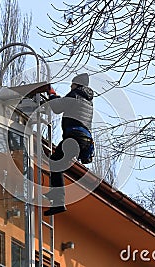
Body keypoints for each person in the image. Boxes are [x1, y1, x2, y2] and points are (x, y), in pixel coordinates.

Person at [43, 73, 94, 216]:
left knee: (56, 161)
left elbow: (57, 108)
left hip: (74, 138)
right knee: (56, 162)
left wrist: (51, 94)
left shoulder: (75, 95)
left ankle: (58, 200)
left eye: (72, 84)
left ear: (76, 85)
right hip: (84, 140)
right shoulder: (86, 100)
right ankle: (56, 195)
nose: (70, 87)